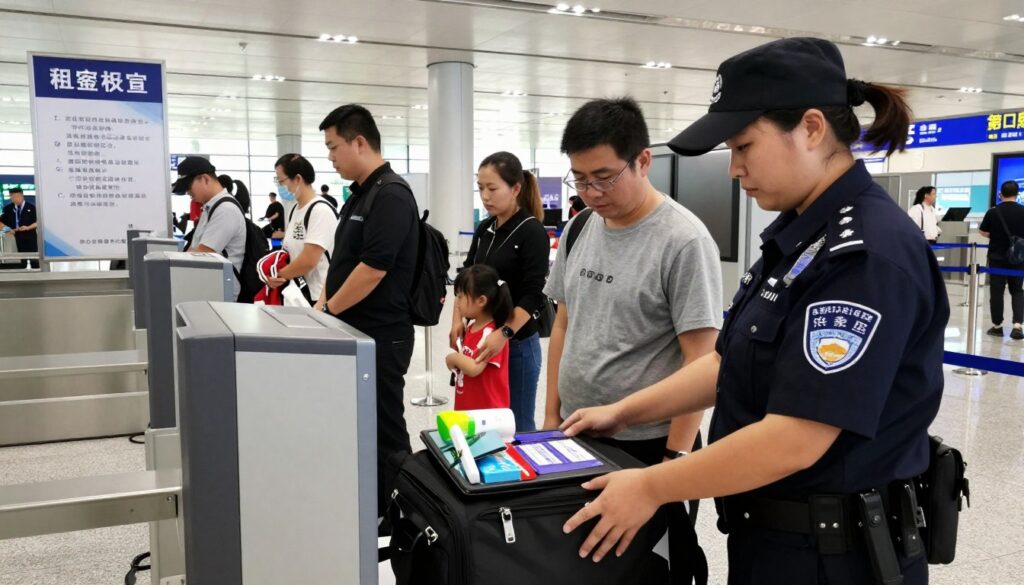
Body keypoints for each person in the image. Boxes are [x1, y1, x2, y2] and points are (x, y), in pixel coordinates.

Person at [558, 38, 948, 585]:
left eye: (744, 146)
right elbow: (728, 363)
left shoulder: (864, 257)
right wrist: (622, 411)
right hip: (776, 541)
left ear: (811, 128)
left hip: (835, 559)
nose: (734, 169)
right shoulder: (797, 236)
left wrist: (651, 485)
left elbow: (795, 436)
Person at [544, 97, 722, 472]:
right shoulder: (579, 228)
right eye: (579, 178)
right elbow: (563, 324)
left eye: (604, 177)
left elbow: (702, 362)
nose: (591, 192)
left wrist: (674, 459)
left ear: (643, 161)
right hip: (574, 430)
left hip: (648, 442)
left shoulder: (684, 241)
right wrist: (549, 418)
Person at [316, 104, 420, 516]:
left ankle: (406, 510)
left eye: (333, 146)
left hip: (382, 333)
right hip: (355, 330)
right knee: (363, 424)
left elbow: (374, 269)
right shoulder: (362, 193)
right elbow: (343, 259)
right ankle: (374, 503)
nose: (330, 156)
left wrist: (330, 310)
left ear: (360, 142)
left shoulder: (391, 194)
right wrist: (323, 303)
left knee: (385, 427)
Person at [451, 151, 550, 431]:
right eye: (480, 188)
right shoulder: (485, 228)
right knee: (485, 419)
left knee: (516, 424)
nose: (485, 196)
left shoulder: (531, 232)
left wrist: (504, 333)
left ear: (516, 188)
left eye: (492, 188)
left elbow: (533, 294)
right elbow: (466, 278)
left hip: (516, 343)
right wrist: (457, 320)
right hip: (482, 337)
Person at [264, 154, 339, 304]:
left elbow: (309, 260)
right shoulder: (295, 209)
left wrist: (279, 274)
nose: (279, 187)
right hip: (298, 293)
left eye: (281, 181)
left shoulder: (320, 210)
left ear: (297, 179)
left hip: (318, 297)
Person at [173, 156, 246, 300]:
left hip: (220, 292)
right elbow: (196, 249)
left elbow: (201, 254)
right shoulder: (210, 207)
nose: (188, 193)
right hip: (210, 287)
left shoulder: (225, 210)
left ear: (205, 179)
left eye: (188, 187)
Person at [446, 264, 514, 411]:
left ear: (481, 301)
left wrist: (452, 359)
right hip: (469, 408)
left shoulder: (490, 335)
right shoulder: (471, 327)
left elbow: (474, 367)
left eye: (461, 296)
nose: (457, 302)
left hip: (487, 414)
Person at [980, 180, 1024, 340]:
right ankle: (1017, 326)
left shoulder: (993, 212)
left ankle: (997, 326)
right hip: (1018, 258)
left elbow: (983, 232)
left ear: (1001, 194)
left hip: (996, 258)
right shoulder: (1022, 211)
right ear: (1017, 194)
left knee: (997, 291)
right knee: (1017, 291)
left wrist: (995, 235)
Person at [0, 187, 39, 268]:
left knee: (35, 263)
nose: (14, 199)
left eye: (16, 196)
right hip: (15, 239)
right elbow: (1, 223)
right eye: (12, 197)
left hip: (30, 238)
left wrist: (28, 227)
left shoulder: (32, 208)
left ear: (22, 196)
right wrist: (7, 229)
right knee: (19, 264)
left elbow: (38, 222)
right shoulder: (8, 209)